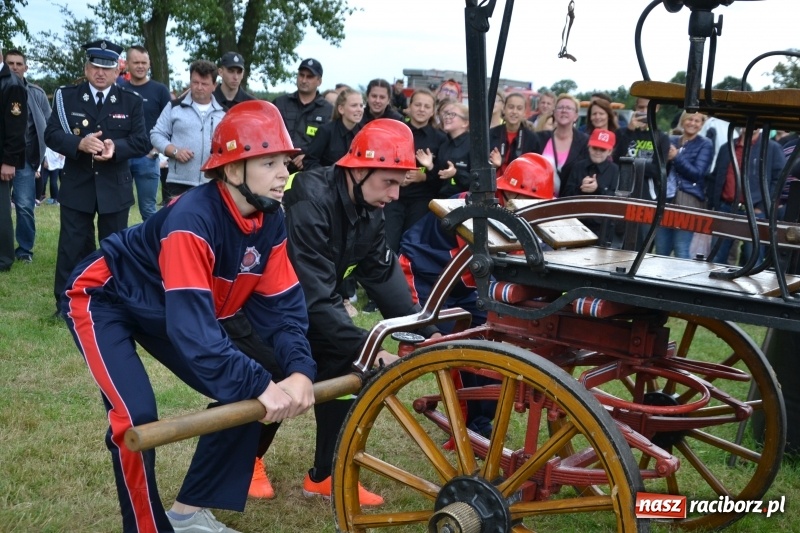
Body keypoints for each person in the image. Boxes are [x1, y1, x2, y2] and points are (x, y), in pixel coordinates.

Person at [61, 99, 316, 533]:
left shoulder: (271, 220)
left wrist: (299, 370)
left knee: (245, 396)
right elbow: (195, 334)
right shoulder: (191, 220)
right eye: (269, 162)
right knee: (135, 419)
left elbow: (284, 309)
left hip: (165, 308)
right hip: (104, 297)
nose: (283, 174)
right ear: (233, 171)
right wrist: (260, 384)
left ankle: (187, 514)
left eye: (285, 162)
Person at [277, 118, 440, 506]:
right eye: (390, 182)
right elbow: (313, 296)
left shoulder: (370, 205)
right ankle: (247, 461)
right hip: (270, 308)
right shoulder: (309, 199)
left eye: (401, 183)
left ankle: (326, 476)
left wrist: (423, 329)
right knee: (271, 377)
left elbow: (381, 273)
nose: (397, 194)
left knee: (346, 371)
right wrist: (369, 345)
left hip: (314, 303)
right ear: (359, 169)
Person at [399, 153, 554, 441]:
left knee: (495, 344)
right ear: (505, 193)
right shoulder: (469, 209)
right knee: (456, 349)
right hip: (428, 281)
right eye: (522, 202)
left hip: (469, 287)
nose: (529, 211)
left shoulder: (515, 216)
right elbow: (450, 263)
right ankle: (466, 423)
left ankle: (481, 418)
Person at [44, 40, 149, 312]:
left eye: (107, 67)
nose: (100, 72)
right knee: (72, 245)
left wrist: (116, 149)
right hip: (77, 184)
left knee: (115, 247)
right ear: (86, 67)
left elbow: (141, 141)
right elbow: (52, 134)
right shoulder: (66, 97)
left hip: (114, 186)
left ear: (118, 71)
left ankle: (113, 302)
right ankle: (67, 303)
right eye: (95, 66)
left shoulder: (131, 101)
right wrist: (77, 144)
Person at [150, 59, 226, 203]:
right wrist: (174, 151)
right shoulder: (174, 107)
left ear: (214, 86)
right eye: (195, 82)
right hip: (178, 183)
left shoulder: (224, 114)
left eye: (204, 84)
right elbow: (156, 134)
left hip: (213, 183)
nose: (199, 87)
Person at [709, 127, 786, 265]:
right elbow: (716, 177)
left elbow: (779, 180)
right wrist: (715, 204)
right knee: (716, 259)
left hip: (755, 211)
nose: (750, 124)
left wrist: (763, 207)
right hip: (726, 208)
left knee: (753, 260)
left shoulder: (771, 148)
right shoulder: (727, 146)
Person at [383, 88, 446, 253]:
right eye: (417, 104)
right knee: (388, 241)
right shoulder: (395, 132)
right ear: (409, 107)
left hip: (421, 200)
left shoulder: (440, 138)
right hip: (393, 197)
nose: (421, 109)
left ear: (433, 111)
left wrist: (424, 176)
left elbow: (443, 174)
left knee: (412, 243)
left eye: (426, 106)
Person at [4, 49, 50, 263]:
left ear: (26, 67)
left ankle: (24, 250)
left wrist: (43, 157)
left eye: (18, 63)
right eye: (10, 63)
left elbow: (48, 124)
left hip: (26, 159)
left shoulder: (36, 93)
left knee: (24, 205)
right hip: (3, 156)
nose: (14, 67)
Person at [119, 45, 172, 220]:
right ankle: (120, 246)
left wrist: (155, 151)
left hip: (148, 158)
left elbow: (170, 123)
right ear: (127, 64)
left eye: (144, 62)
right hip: (122, 158)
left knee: (149, 210)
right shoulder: (119, 89)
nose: (140, 66)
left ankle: (151, 247)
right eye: (136, 62)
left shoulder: (160, 90)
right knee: (119, 209)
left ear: (149, 64)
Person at [655, 111, 713, 258]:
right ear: (682, 121)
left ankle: (679, 280)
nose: (692, 123)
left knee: (681, 247)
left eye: (697, 121)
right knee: (661, 247)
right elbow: (657, 166)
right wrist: (665, 159)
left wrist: (676, 157)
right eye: (689, 119)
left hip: (688, 200)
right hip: (665, 198)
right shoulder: (671, 139)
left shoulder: (705, 144)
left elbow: (698, 173)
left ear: (701, 125)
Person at [273, 58, 333, 172]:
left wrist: (308, 157)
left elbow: (331, 146)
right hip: (279, 166)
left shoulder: (328, 110)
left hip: (310, 173)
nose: (304, 80)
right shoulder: (280, 103)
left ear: (319, 81)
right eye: (301, 75)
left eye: (309, 77)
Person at [561, 128, 620, 241]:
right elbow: (565, 195)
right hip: (576, 225)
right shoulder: (578, 167)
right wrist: (580, 188)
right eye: (595, 147)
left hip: (602, 230)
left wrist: (598, 189)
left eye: (602, 149)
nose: (598, 152)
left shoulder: (615, 171)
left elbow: (617, 200)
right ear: (589, 147)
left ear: (609, 151)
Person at [612, 97, 671, 203]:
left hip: (647, 194)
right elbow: (616, 161)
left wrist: (629, 163)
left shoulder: (661, 137)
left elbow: (658, 171)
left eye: (649, 107)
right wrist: (630, 131)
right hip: (622, 190)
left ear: (656, 108)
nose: (644, 111)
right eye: (641, 107)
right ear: (635, 107)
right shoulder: (622, 132)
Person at [0, 48, 27, 273]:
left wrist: (9, 160)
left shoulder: (12, 84)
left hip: (2, 159)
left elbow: (17, 129)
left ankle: (3, 259)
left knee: (0, 211)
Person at [535, 93, 588, 196]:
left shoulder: (584, 142)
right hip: (540, 200)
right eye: (560, 107)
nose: (564, 110)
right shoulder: (540, 138)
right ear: (554, 113)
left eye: (569, 108)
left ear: (576, 116)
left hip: (570, 203)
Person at [302, 87, 363, 170]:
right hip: (326, 181)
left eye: (361, 105)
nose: (359, 109)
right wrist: (327, 176)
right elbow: (309, 162)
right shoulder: (325, 131)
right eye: (354, 105)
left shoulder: (364, 133)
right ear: (341, 109)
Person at [421, 101, 471, 198]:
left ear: (465, 123)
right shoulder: (445, 145)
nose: (447, 117)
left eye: (452, 114)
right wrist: (430, 166)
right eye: (446, 114)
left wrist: (456, 173)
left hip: (463, 202)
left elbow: (479, 181)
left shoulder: (473, 145)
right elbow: (437, 181)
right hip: (442, 200)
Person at [489, 92, 539, 177]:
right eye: (511, 107)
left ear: (524, 112)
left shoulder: (532, 139)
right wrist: (493, 165)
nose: (514, 112)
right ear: (504, 109)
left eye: (519, 108)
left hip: (519, 187)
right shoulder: (490, 134)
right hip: (492, 187)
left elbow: (536, 170)